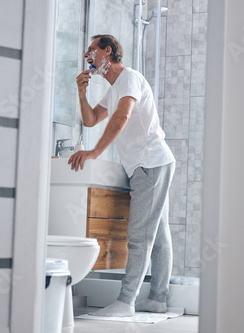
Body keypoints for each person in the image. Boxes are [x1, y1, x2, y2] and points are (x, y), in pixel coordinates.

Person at [68, 34, 176, 317]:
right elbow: (91, 119)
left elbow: (122, 117)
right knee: (159, 237)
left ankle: (126, 302)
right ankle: (157, 299)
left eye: (91, 49)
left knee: (139, 236)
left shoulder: (129, 78)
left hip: (149, 163)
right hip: (151, 164)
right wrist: (82, 93)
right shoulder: (114, 89)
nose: (86, 55)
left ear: (107, 51)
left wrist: (93, 152)